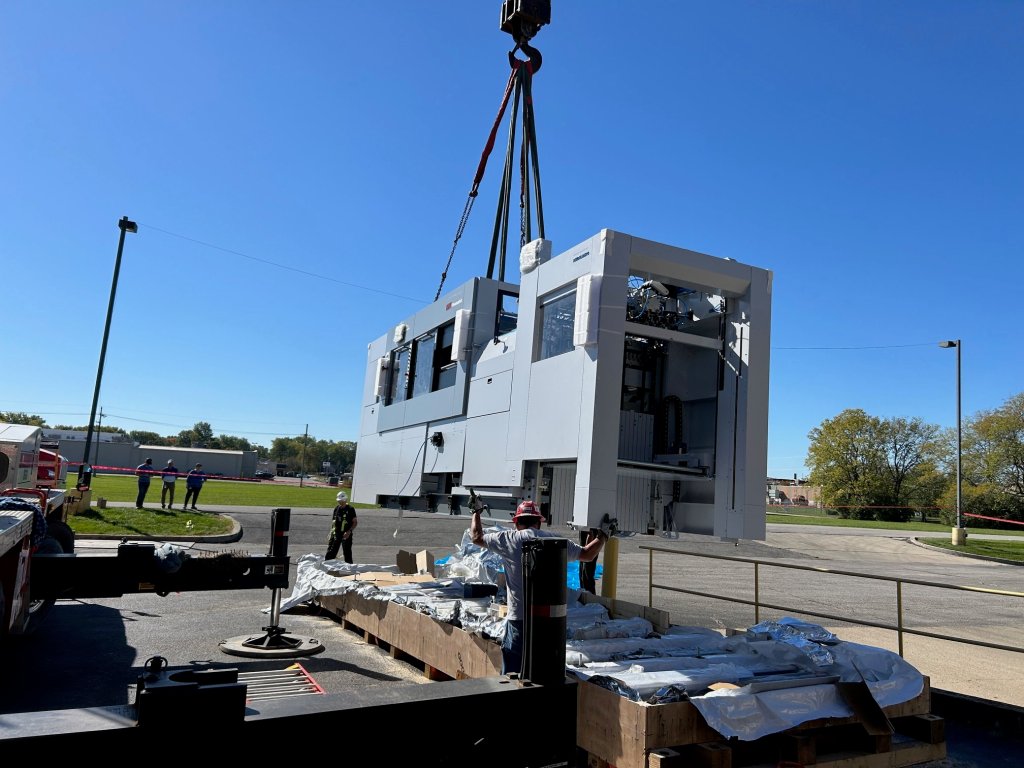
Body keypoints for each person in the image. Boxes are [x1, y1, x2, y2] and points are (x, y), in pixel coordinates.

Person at [470, 499, 607, 676]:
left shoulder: (507, 539)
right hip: (548, 622)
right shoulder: (556, 541)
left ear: (516, 523)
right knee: (543, 672)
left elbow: (476, 537)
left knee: (512, 672)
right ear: (539, 522)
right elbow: (588, 554)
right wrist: (603, 535)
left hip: (518, 618)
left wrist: (476, 512)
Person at [326, 491, 358, 563]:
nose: (340, 502)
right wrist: (332, 533)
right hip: (336, 534)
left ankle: (349, 566)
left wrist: (349, 531)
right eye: (339, 501)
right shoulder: (336, 509)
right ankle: (327, 564)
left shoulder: (350, 509)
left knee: (347, 552)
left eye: (341, 501)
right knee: (331, 551)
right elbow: (334, 522)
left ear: (345, 500)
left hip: (346, 534)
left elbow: (355, 522)